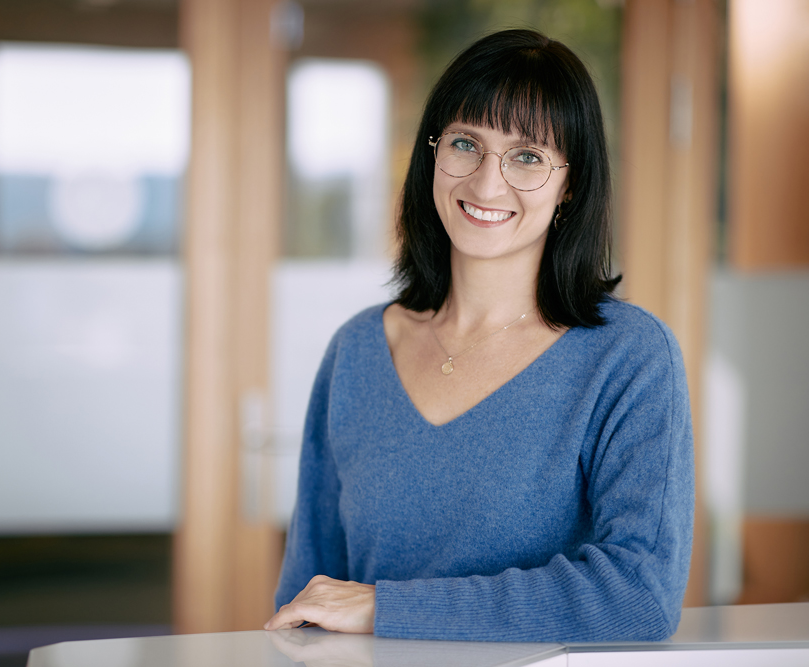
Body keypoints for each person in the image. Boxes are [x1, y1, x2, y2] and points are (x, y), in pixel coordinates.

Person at [265, 29, 694, 642]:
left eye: (528, 157)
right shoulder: (358, 351)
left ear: (570, 185)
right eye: (467, 144)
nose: (487, 185)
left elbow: (639, 597)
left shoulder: (628, 357)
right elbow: (306, 603)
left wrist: (390, 609)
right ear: (433, 154)